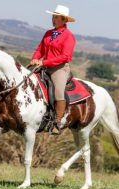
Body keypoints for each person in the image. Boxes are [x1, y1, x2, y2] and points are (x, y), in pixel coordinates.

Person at [28, 5, 76, 135]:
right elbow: (40, 49)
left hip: (59, 69)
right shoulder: (48, 33)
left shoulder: (69, 36)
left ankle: (57, 122)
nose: (53, 19)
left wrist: (44, 62)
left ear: (64, 20)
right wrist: (35, 59)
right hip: (44, 66)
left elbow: (65, 56)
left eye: (56, 17)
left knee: (58, 93)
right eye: (53, 17)